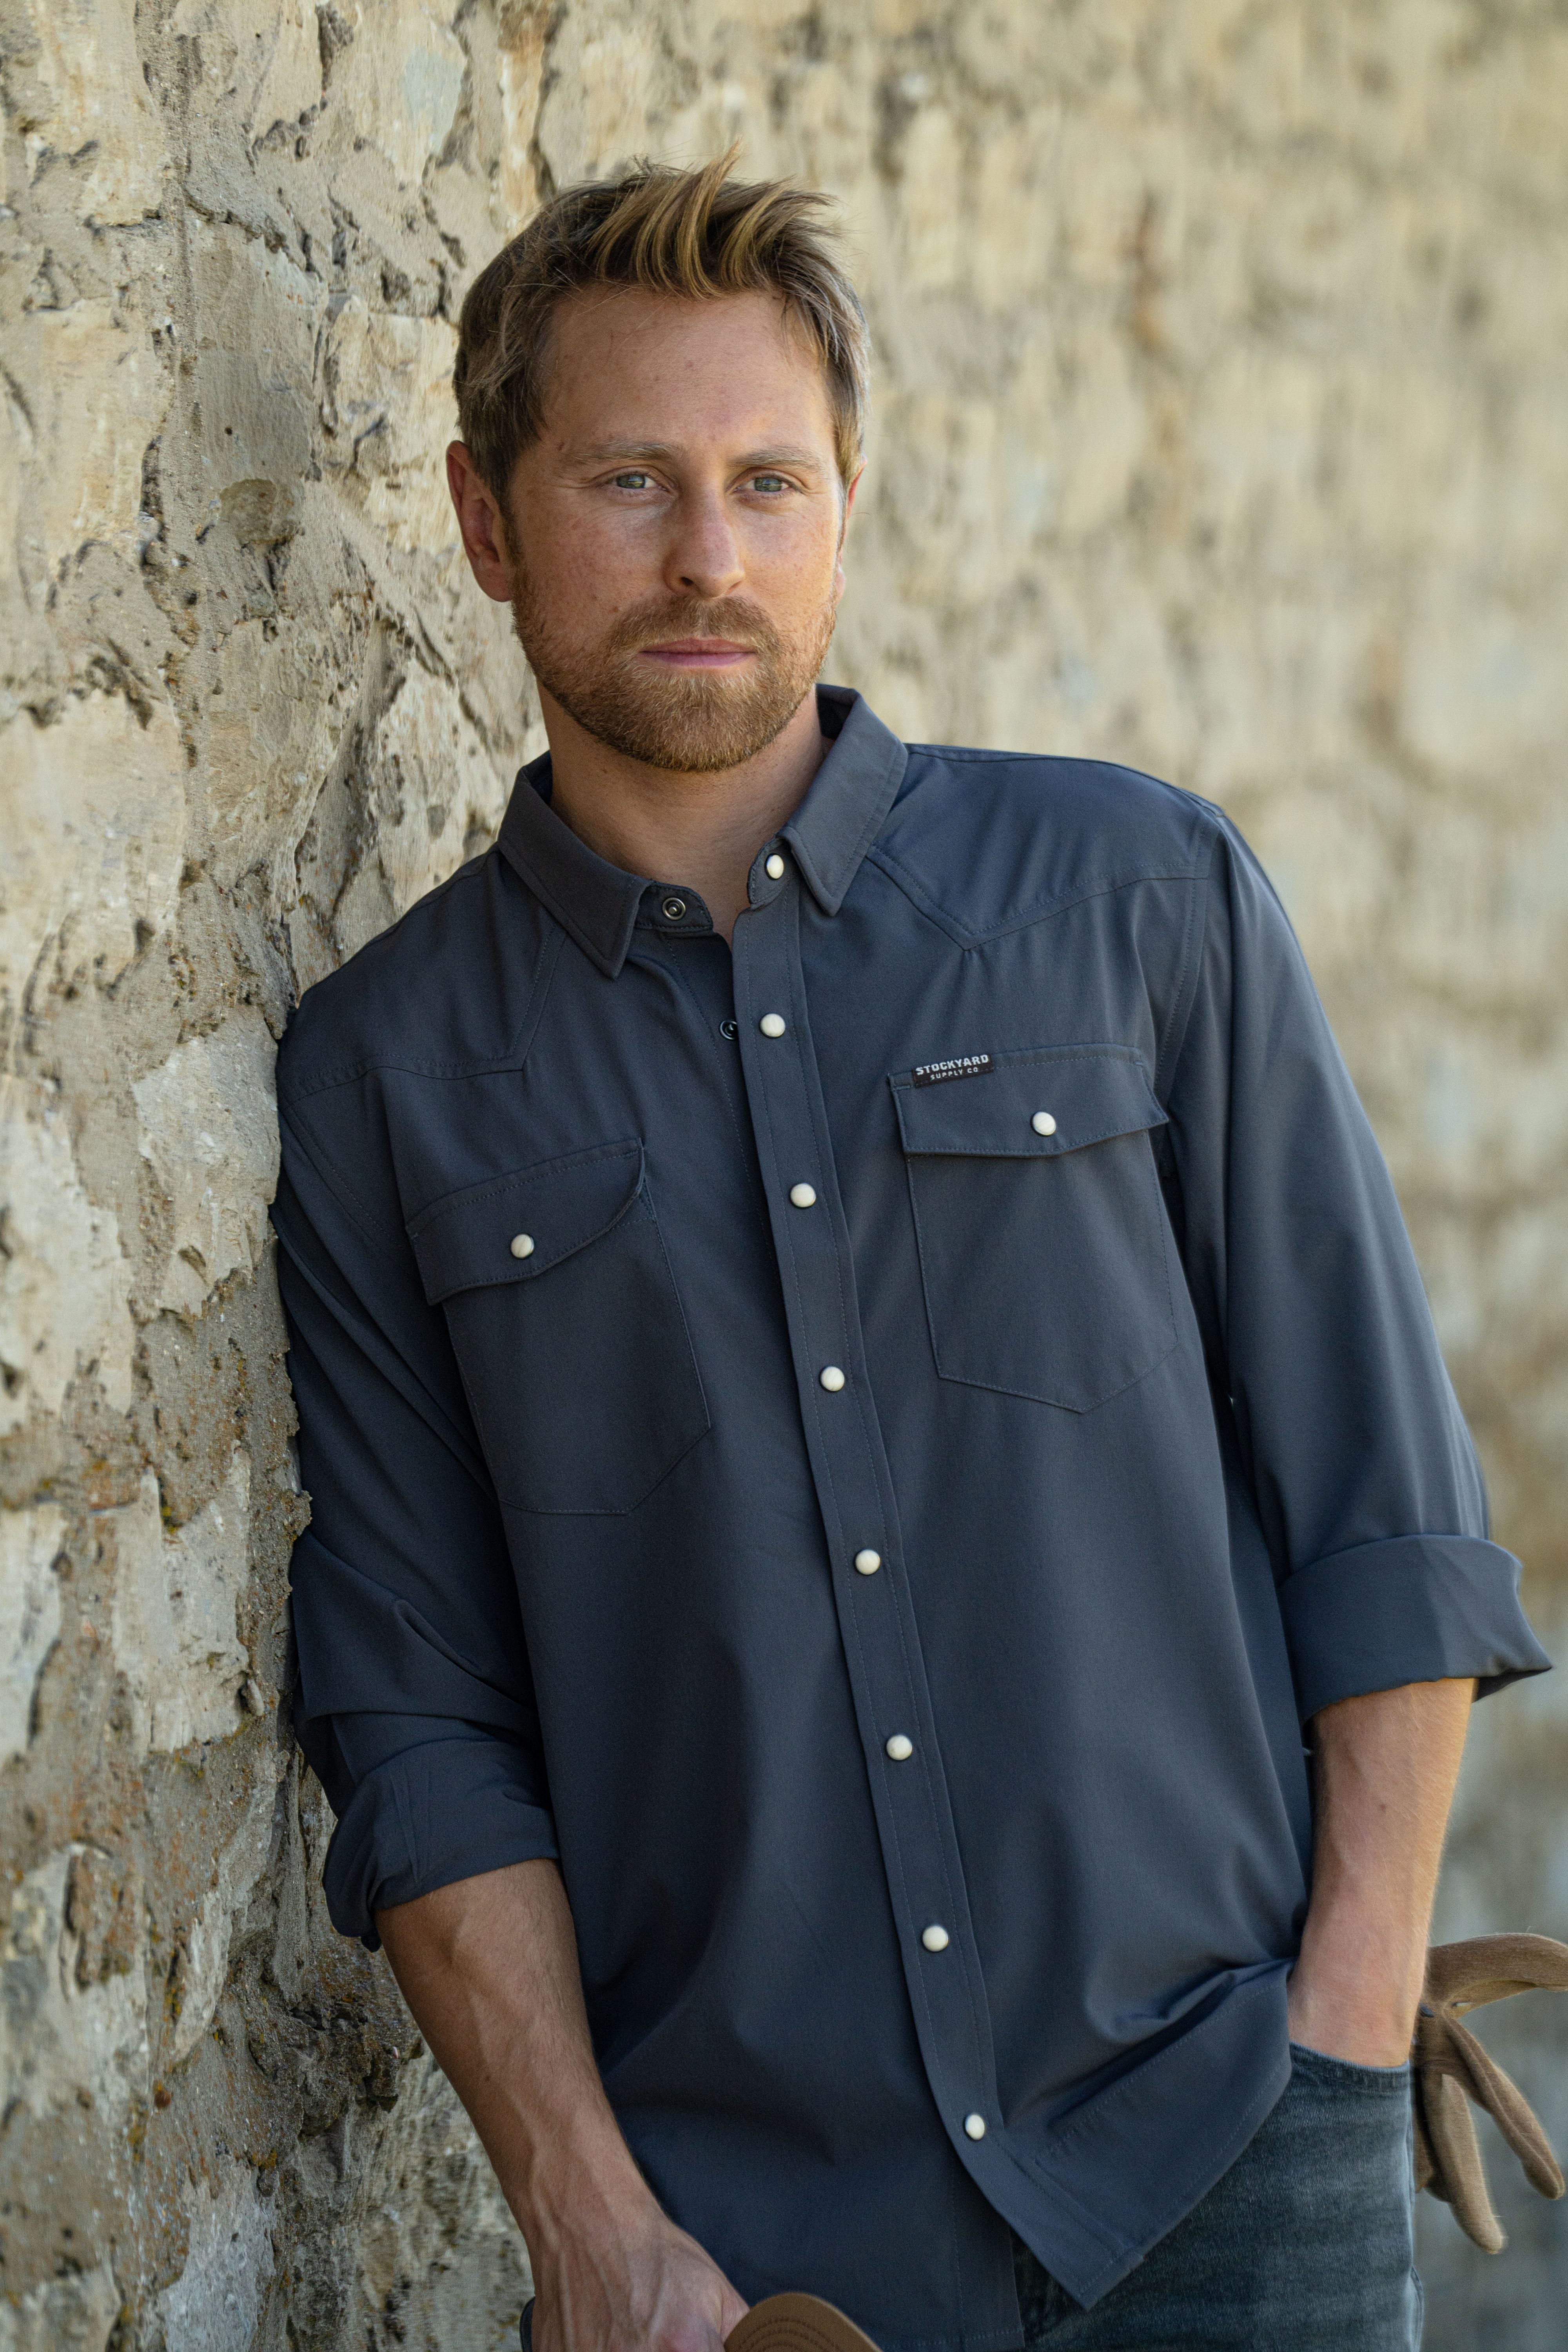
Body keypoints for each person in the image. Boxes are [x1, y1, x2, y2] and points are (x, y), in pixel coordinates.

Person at [270, 154, 1549, 2352]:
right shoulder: (388, 1076)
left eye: (770, 481)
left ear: (845, 507)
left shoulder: (1139, 897)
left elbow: (1387, 1515)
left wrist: (1343, 2053)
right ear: (484, 521)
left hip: (1230, 2159)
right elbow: (419, 1715)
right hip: (768, 2271)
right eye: (631, 482)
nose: (710, 553)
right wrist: (588, 2222)